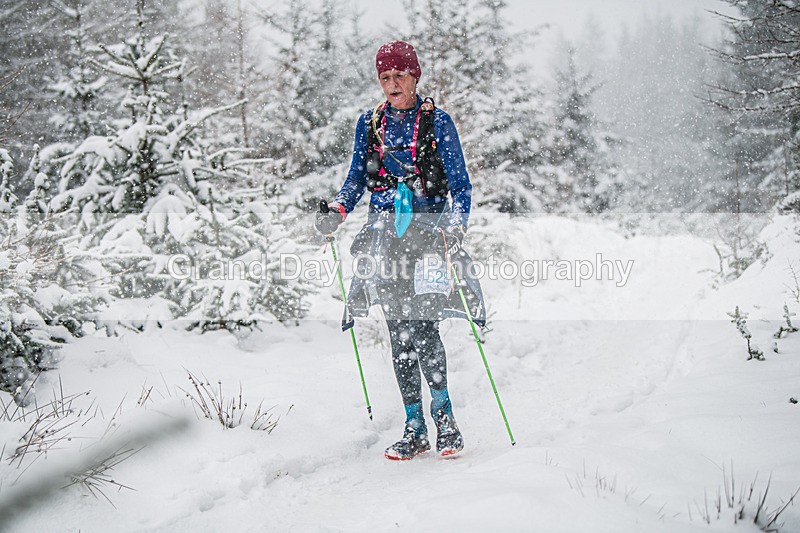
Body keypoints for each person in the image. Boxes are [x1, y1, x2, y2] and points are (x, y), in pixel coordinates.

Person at [315, 41, 484, 460]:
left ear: (415, 77)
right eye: (385, 77)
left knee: (424, 327)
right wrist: (337, 209)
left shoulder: (438, 123)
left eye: (399, 76)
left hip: (430, 239)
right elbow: (356, 180)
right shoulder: (368, 125)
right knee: (400, 332)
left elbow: (460, 187)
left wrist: (456, 228)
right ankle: (414, 426)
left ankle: (444, 418)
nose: (392, 84)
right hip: (385, 239)